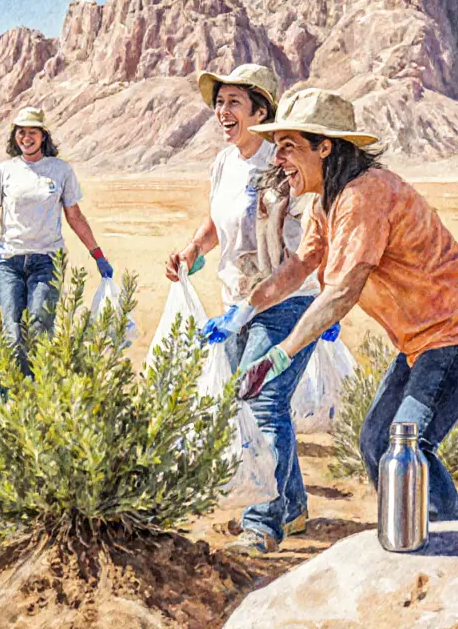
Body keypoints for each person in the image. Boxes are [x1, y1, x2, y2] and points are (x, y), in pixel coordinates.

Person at [226, 87, 458, 533]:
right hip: (423, 341)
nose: (277, 159)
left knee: (408, 445)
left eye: (288, 146)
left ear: (324, 147)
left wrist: (278, 356)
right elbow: (299, 266)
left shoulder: (364, 197)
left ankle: (454, 544)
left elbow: (341, 293)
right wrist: (244, 310)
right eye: (276, 147)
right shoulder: (327, 200)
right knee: (377, 442)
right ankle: (413, 535)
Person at [165, 63, 321, 557]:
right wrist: (192, 250)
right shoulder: (224, 163)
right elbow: (217, 221)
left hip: (288, 301)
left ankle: (262, 523)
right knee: (257, 404)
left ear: (261, 111)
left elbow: (311, 240)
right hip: (235, 304)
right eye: (219, 102)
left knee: (263, 401)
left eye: (234, 102)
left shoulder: (285, 163)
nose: (222, 112)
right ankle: (291, 506)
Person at [0, 107, 112, 372]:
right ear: (14, 136)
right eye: (21, 132)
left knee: (40, 328)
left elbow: (75, 216)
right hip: (9, 262)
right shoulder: (4, 171)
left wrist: (98, 255)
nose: (26, 138)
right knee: (13, 333)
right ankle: (16, 392)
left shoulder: (60, 170)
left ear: (43, 136)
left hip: (47, 261)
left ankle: (39, 388)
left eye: (33, 132)